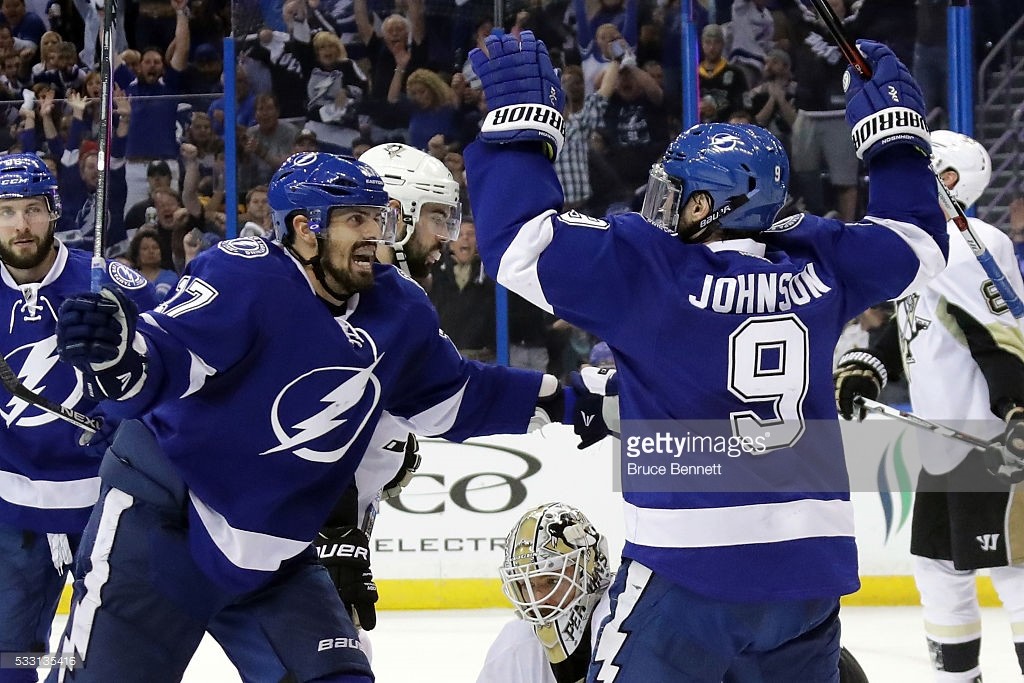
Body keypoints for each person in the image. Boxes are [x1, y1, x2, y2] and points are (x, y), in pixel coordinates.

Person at [465, 30, 946, 680]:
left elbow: (520, 244)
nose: (663, 205)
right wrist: (894, 139)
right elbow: (916, 242)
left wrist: (519, 128)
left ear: (711, 203)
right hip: (809, 581)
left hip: (690, 572)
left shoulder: (652, 271)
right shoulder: (822, 263)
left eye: (680, 192)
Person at [49, 152, 570, 681]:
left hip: (273, 548)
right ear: (304, 229)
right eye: (355, 220)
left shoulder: (401, 309)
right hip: (165, 519)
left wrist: (565, 401)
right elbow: (164, 359)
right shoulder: (245, 275)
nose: (375, 233)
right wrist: (116, 355)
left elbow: (457, 395)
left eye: (378, 218)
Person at [834, 130, 1024, 683]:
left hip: (987, 441)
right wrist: (869, 366)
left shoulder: (973, 242)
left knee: (1013, 570)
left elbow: (998, 334)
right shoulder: (934, 245)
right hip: (944, 445)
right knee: (939, 569)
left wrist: (1017, 409)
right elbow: (920, 322)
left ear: (947, 181)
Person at [0, 153, 156, 683]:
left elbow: (175, 375)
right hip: (12, 518)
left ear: (54, 210)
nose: (20, 224)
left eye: (32, 209)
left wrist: (131, 414)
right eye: (5, 211)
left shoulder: (117, 285)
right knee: (10, 658)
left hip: (108, 511)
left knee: (101, 664)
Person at [478, 500, 872, 683]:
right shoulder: (515, 647)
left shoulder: (644, 617)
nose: (538, 598)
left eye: (549, 580)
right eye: (525, 586)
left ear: (590, 570)